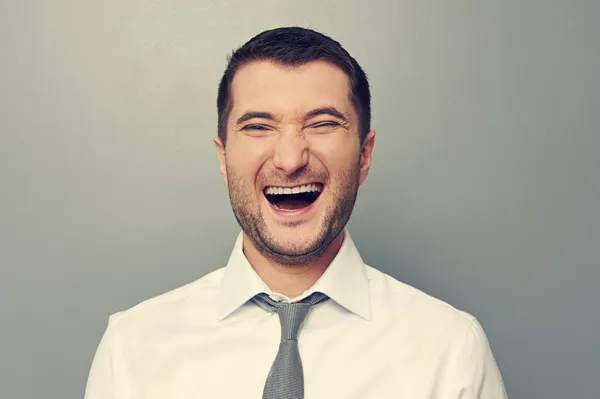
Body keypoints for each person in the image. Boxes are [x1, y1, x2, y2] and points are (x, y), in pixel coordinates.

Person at [84, 27, 507, 398]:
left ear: (364, 155)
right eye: (257, 126)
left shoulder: (451, 350)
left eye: (322, 123)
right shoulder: (133, 350)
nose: (289, 159)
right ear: (223, 157)